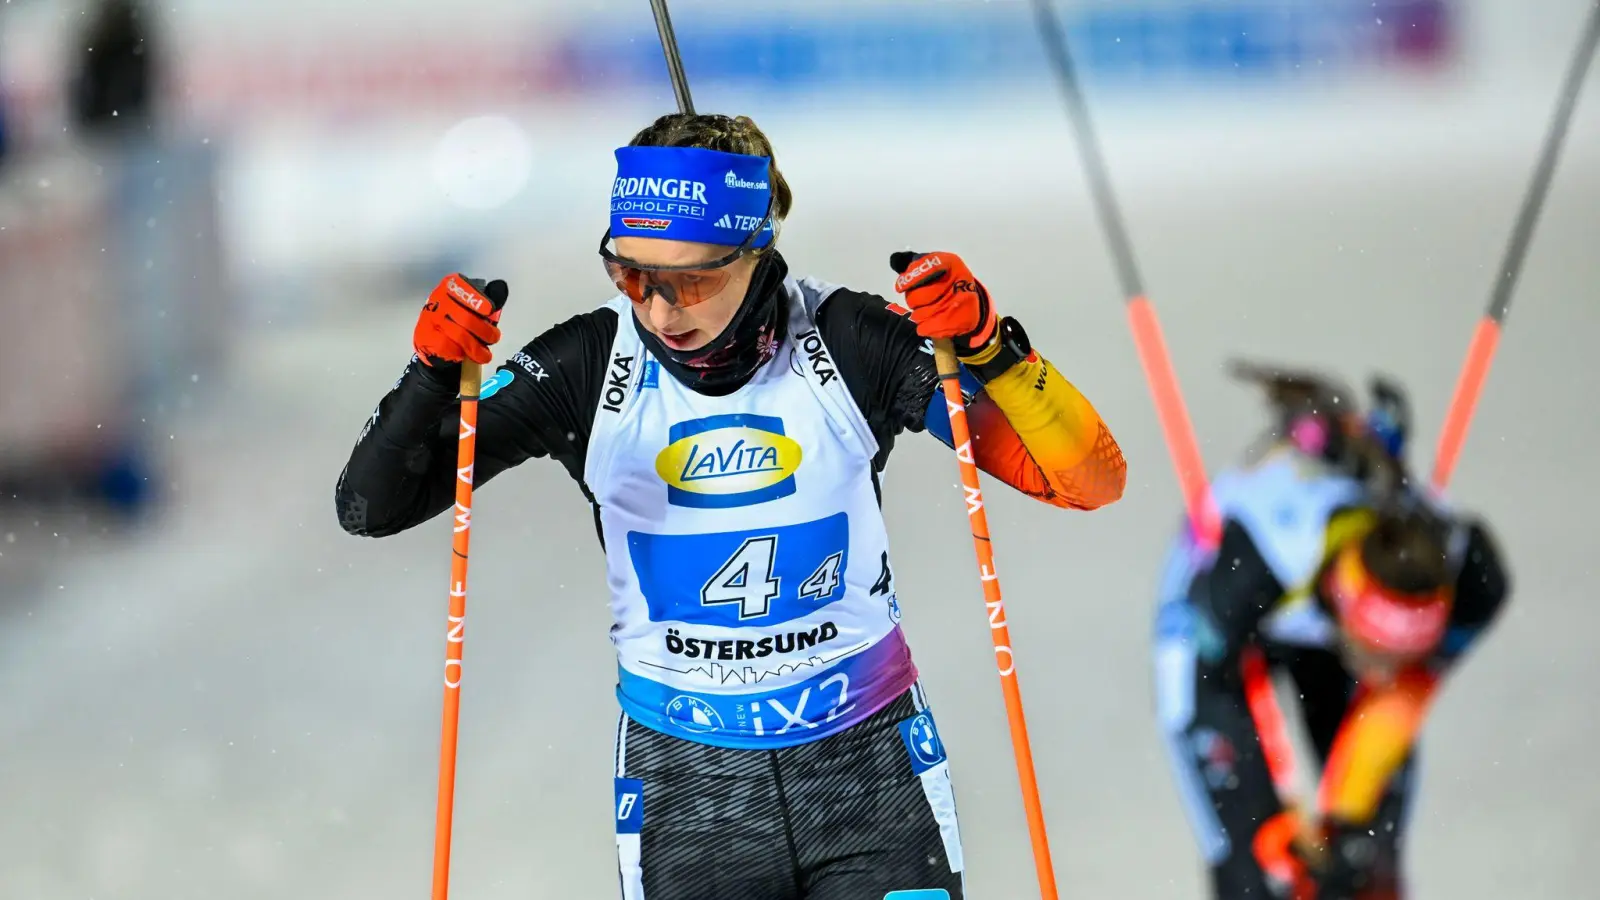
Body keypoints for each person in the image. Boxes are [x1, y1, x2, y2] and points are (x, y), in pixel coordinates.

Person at [335, 112, 1127, 900]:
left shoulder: (848, 340)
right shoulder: (585, 362)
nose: (659, 309)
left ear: (756, 254)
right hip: (687, 785)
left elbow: (1087, 481)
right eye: (630, 275)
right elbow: (371, 506)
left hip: (868, 762)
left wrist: (992, 346)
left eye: (693, 281)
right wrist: (431, 376)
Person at [1151, 362, 1510, 900]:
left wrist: (1348, 826)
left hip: (1326, 635)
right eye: (1374, 649)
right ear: (1345, 599)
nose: (1383, 669)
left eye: (1398, 656)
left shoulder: (1472, 578)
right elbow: (1202, 689)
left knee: (1366, 864)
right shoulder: (1259, 561)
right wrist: (1279, 828)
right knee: (1260, 874)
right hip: (1223, 634)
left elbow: (1399, 698)